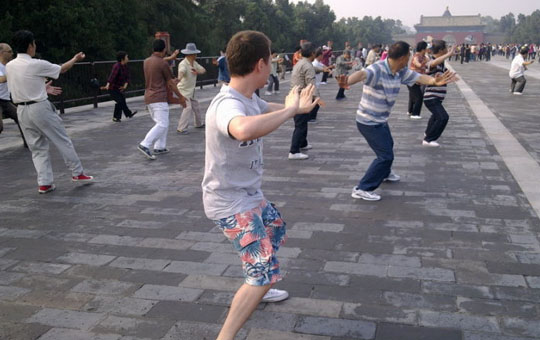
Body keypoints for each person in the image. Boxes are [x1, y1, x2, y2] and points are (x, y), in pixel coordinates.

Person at [202, 30, 319, 340]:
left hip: (249, 196)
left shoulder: (249, 97)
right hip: (228, 202)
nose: (272, 67)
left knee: (276, 227)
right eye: (271, 62)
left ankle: (258, 286)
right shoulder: (227, 104)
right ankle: (226, 333)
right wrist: (292, 110)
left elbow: (265, 109)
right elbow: (241, 129)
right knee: (263, 271)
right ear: (259, 65)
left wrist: (294, 105)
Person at [337, 41, 457, 201]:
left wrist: (434, 81)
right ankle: (362, 188)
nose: (409, 59)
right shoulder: (377, 69)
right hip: (368, 121)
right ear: (402, 57)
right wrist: (347, 82)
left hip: (380, 119)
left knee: (389, 146)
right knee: (385, 156)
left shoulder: (400, 71)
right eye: (408, 56)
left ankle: (385, 173)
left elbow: (419, 77)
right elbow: (362, 74)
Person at [6, 30, 94, 194]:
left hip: (21, 110)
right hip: (39, 107)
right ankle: (77, 173)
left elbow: (21, 83)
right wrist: (75, 59)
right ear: (30, 45)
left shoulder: (10, 66)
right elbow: (62, 69)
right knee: (61, 140)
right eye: (34, 43)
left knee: (37, 147)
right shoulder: (36, 64)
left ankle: (45, 182)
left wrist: (42, 87)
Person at [137, 39, 186, 160]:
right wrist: (180, 97)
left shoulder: (146, 61)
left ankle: (160, 146)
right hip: (159, 97)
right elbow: (170, 83)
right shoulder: (163, 64)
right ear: (164, 50)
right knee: (162, 124)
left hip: (149, 97)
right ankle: (145, 144)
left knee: (162, 122)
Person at [288, 41, 320, 160]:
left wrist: (322, 69)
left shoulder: (301, 63)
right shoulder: (307, 65)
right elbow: (311, 83)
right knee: (300, 124)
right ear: (312, 53)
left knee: (302, 122)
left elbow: (313, 69)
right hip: (301, 98)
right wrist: (317, 98)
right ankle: (294, 151)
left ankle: (303, 143)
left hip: (295, 95)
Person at [422, 40, 456, 147]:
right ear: (441, 50)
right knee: (443, 117)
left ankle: (427, 133)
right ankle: (428, 139)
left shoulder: (441, 64)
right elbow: (432, 64)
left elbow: (445, 72)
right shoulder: (431, 61)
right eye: (446, 48)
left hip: (437, 98)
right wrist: (448, 54)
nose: (447, 49)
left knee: (436, 117)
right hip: (431, 97)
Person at [0, 43, 27, 148]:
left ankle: (28, 144)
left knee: (21, 118)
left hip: (5, 100)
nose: (12, 53)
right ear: (1, 53)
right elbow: (1, 79)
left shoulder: (9, 66)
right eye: (9, 51)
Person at [176, 43, 206, 134]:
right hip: (183, 90)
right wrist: (178, 78)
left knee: (196, 106)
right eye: (195, 53)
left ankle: (198, 123)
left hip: (190, 91)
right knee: (187, 107)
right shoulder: (183, 64)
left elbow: (203, 70)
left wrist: (197, 71)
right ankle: (181, 128)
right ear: (191, 54)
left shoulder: (194, 63)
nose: (196, 55)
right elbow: (181, 72)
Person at [103, 51, 137, 122]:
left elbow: (127, 78)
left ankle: (128, 114)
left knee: (122, 101)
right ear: (122, 59)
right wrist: (107, 85)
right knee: (119, 101)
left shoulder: (125, 66)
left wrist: (125, 86)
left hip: (119, 88)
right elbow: (112, 76)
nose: (128, 58)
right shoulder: (117, 66)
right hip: (112, 88)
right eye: (127, 57)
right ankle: (116, 117)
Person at [407, 41, 429, 119]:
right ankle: (415, 114)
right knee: (418, 97)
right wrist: (425, 62)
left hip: (418, 80)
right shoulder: (416, 56)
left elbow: (426, 66)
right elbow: (418, 65)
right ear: (423, 49)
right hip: (412, 79)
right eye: (426, 48)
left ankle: (410, 111)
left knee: (413, 96)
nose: (427, 49)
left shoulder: (424, 57)